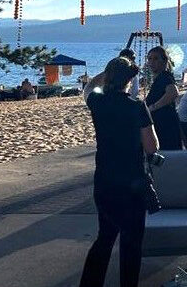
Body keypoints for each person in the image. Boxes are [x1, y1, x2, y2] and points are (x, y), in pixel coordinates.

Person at [80, 57, 158, 287]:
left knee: (104, 238)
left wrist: (106, 74)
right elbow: (152, 146)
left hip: (105, 179)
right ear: (130, 80)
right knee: (131, 243)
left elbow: (88, 88)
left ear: (108, 76)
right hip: (132, 182)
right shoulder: (136, 107)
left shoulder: (97, 102)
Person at [144, 46, 182, 150]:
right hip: (160, 125)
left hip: (166, 125)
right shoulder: (158, 79)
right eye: (149, 59)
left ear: (164, 61)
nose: (152, 62)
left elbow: (173, 92)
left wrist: (152, 107)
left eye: (156, 58)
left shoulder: (165, 77)